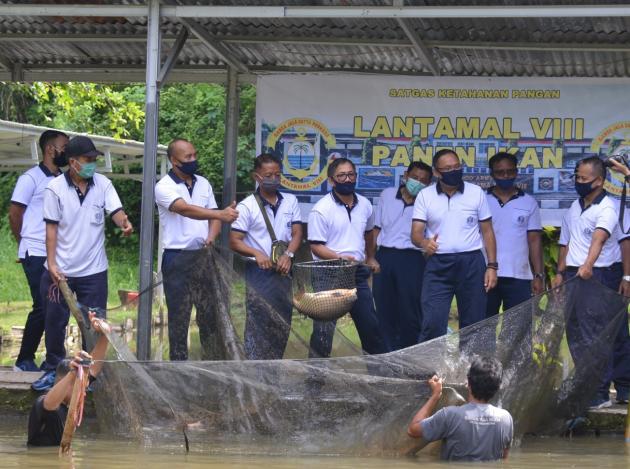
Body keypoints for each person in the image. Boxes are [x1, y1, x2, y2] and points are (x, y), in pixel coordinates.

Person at [32, 136, 133, 391]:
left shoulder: (103, 184)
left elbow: (116, 211)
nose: (92, 164)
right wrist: (52, 264)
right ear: (73, 162)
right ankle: (54, 370)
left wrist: (123, 222)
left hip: (93, 270)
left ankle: (89, 376)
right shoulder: (54, 188)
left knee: (95, 323)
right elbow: (51, 230)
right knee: (55, 322)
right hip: (60, 271)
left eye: (94, 160)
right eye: (88, 160)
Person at [551, 157, 628, 408]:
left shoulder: (608, 207)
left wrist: (587, 265)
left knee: (596, 333)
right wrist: (561, 273)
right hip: (574, 274)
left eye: (584, 179)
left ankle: (600, 392)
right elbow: (566, 243)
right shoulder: (574, 208)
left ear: (599, 181)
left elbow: (600, 239)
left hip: (599, 274)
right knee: (576, 330)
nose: (579, 182)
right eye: (577, 178)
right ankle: (589, 384)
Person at [155, 138, 239, 361]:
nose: (193, 160)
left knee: (210, 315)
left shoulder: (203, 183)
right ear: (174, 161)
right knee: (179, 318)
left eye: (194, 155)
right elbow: (185, 209)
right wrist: (220, 214)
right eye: (187, 157)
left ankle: (210, 364)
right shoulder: (164, 186)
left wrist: (211, 236)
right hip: (177, 257)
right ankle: (179, 369)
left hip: (204, 256)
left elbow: (213, 217)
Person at [411, 149, 498, 347]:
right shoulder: (425, 196)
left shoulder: (476, 193)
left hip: (472, 263)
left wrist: (492, 266)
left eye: (457, 166)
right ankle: (430, 373)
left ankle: (471, 375)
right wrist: (425, 243)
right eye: (448, 168)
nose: (454, 171)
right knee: (432, 321)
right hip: (439, 265)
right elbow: (416, 233)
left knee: (473, 324)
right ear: (437, 172)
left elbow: (488, 232)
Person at [307, 157, 389, 357]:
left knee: (371, 328)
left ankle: (378, 380)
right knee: (323, 332)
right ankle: (314, 384)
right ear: (332, 180)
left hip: (357, 273)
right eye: (341, 175)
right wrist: (338, 257)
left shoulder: (365, 205)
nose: (347, 179)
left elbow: (369, 233)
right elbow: (316, 246)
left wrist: (370, 257)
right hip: (328, 274)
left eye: (351, 174)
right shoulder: (321, 209)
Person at [229, 153, 303, 359]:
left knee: (282, 324)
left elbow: (297, 233)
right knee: (259, 325)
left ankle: (274, 377)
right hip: (259, 273)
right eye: (268, 175)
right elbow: (234, 240)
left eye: (278, 174)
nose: (274, 179)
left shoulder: (290, 201)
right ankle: (256, 378)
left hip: (284, 271)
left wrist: (288, 254)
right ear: (257, 177)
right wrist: (256, 253)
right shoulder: (247, 206)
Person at [9, 130, 69, 372]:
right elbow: (15, 213)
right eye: (65, 146)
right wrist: (23, 241)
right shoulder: (30, 178)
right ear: (50, 150)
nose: (69, 151)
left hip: (57, 251)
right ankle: (25, 360)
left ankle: (47, 360)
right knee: (44, 305)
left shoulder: (64, 179)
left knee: (54, 305)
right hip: (34, 251)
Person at [485, 152, 544, 359]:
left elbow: (534, 240)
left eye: (510, 171)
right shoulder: (481, 200)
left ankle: (513, 379)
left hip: (519, 275)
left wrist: (539, 275)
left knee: (517, 332)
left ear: (516, 173)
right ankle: (481, 379)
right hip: (486, 275)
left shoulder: (529, 202)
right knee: (484, 330)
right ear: (492, 174)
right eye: (500, 172)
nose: (505, 175)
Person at [372, 161, 432, 350]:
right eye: (415, 178)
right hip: (385, 257)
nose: (418, 182)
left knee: (410, 310)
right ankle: (387, 355)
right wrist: (371, 257)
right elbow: (376, 229)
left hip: (413, 259)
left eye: (423, 181)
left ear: (429, 184)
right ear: (406, 175)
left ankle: (409, 354)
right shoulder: (387, 195)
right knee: (384, 308)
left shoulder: (428, 202)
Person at [407, 356, 513, 462]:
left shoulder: (450, 415)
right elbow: (504, 459)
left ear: (468, 383)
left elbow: (412, 430)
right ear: (498, 387)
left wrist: (435, 396)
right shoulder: (506, 419)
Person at [27, 312, 109, 447]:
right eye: (81, 388)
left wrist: (105, 335)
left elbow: (93, 369)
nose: (84, 393)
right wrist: (73, 374)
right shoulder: (44, 403)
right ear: (64, 382)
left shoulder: (71, 402)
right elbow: (49, 404)